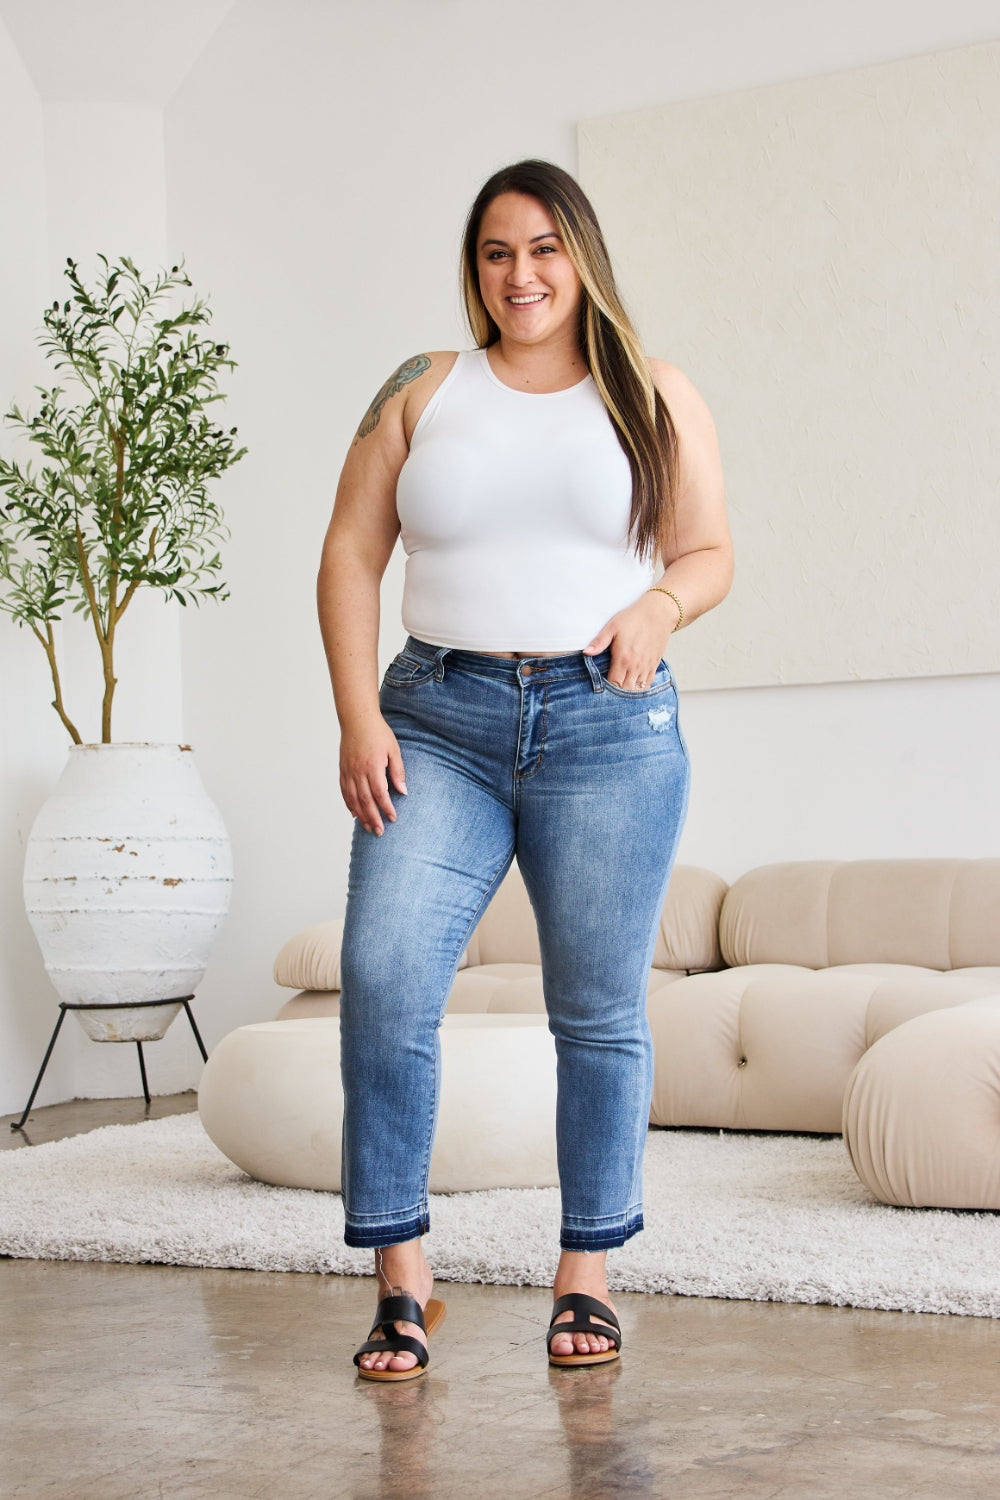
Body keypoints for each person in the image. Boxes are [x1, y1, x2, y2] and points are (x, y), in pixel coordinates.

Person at [317, 159, 732, 1381]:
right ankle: (404, 1284)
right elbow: (348, 554)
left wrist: (659, 603)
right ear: (474, 269)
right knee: (385, 977)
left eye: (544, 248)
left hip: (605, 722)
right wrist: (357, 716)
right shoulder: (421, 389)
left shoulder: (650, 392)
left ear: (582, 257)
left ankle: (587, 1275)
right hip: (435, 718)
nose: (521, 274)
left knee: (596, 1013)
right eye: (497, 253)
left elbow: (709, 550)